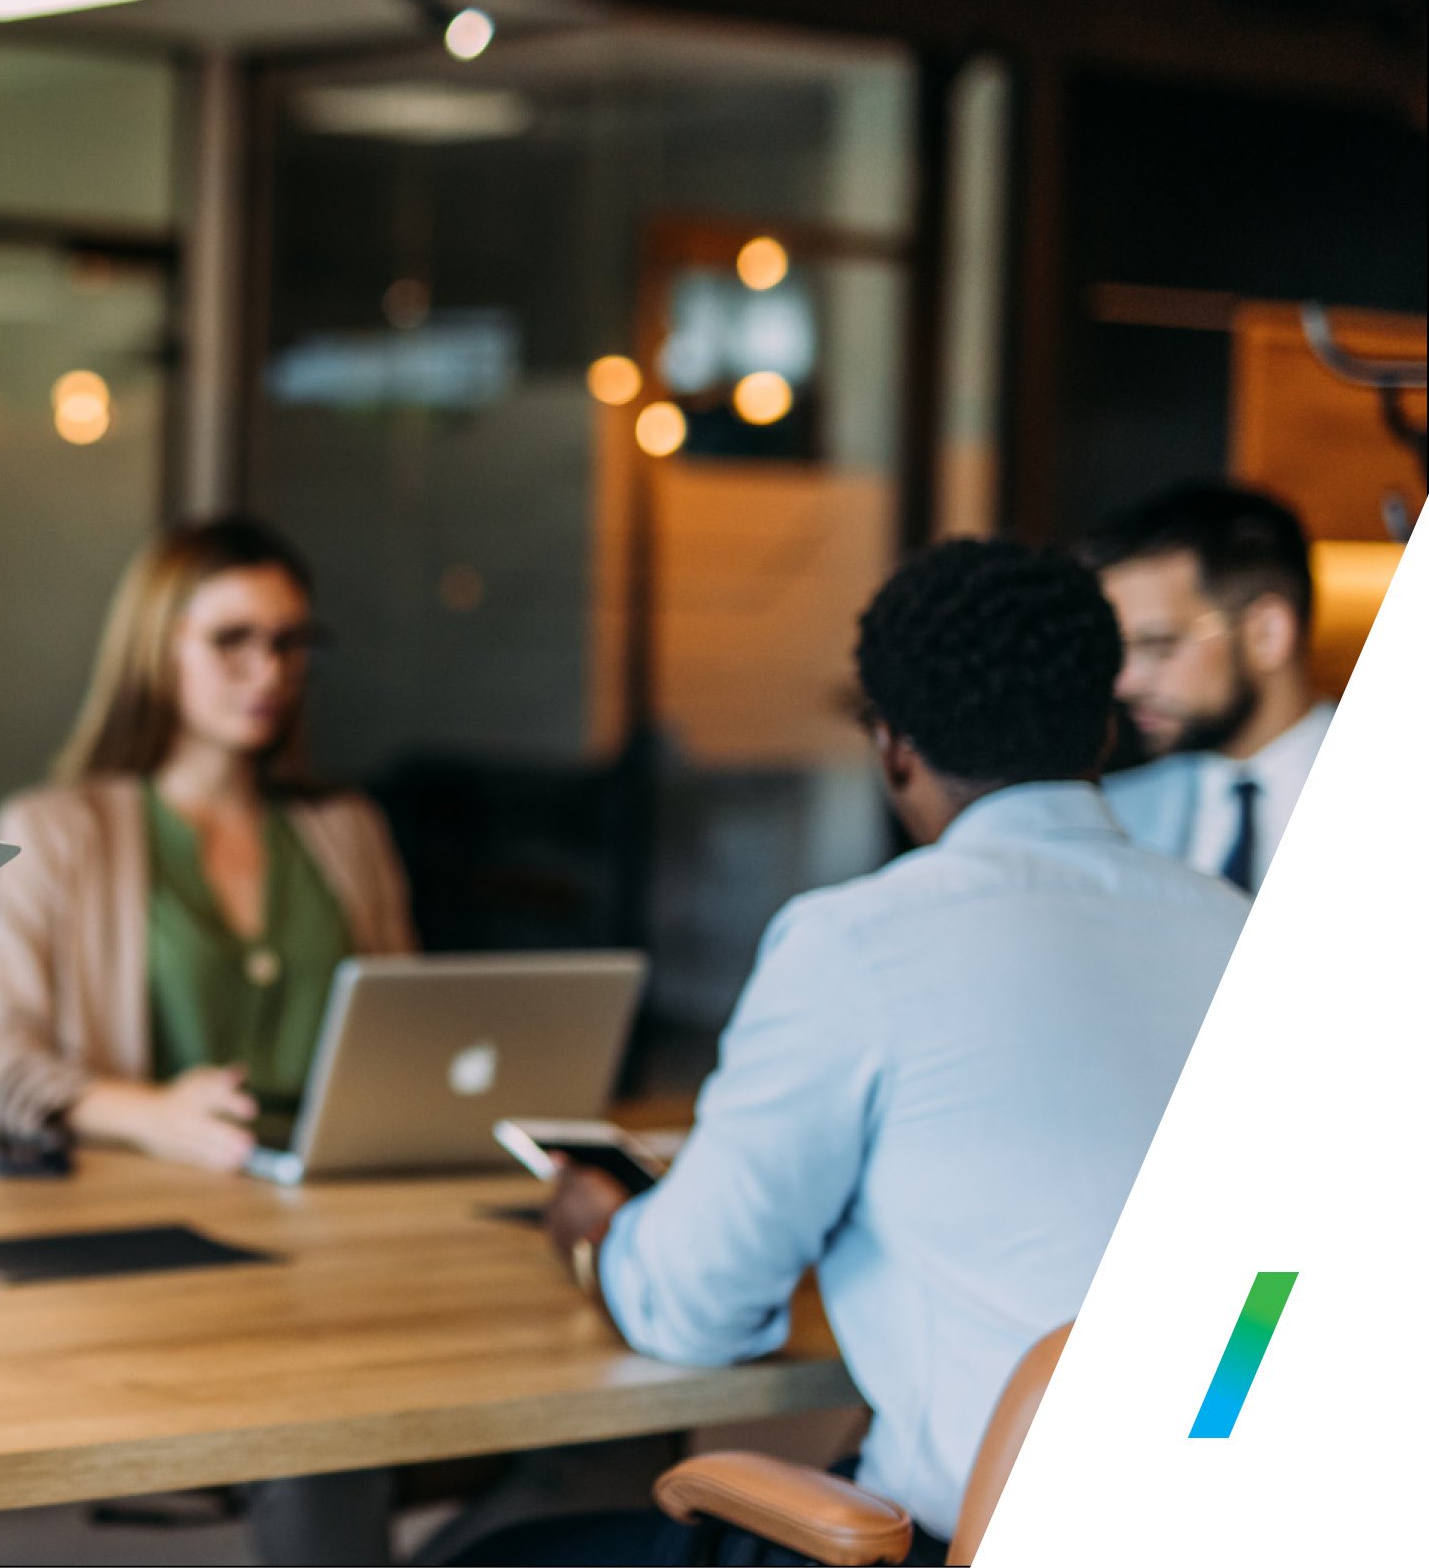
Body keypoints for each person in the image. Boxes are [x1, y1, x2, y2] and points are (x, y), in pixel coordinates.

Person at [474, 540, 1246, 1565]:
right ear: (1101, 726)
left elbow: (697, 1307)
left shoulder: (859, 942)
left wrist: (603, 1232)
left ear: (892, 748)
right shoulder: (1241, 927)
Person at [0, 517, 413, 1565]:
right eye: (233, 639)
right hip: (159, 1235)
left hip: (341, 1218)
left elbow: (405, 1034)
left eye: (292, 643)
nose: (269, 671)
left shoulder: (346, 829)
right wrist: (149, 1113)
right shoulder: (59, 826)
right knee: (322, 1416)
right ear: (157, 650)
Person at [1083, 482, 1331, 892]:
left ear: (1267, 633)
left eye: (1159, 646)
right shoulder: (1109, 817)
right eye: (1119, 653)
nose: (1125, 684)